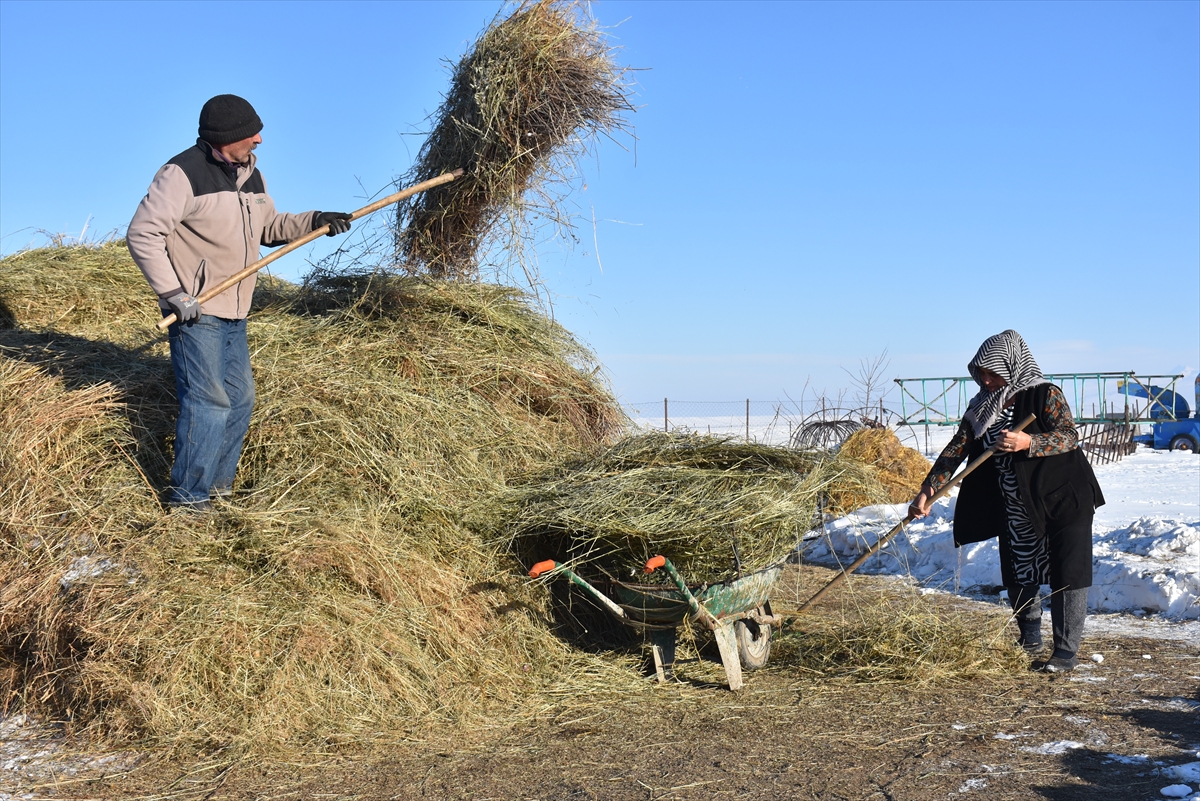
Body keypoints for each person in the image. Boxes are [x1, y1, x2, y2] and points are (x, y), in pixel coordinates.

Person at [128, 94, 352, 512]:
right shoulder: (182, 174)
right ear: (224, 137)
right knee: (208, 402)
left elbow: (269, 227)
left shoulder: (252, 175)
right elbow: (143, 233)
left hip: (236, 310)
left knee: (240, 399)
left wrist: (316, 220)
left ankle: (218, 491)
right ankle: (188, 503)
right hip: (197, 311)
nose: (259, 139)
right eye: (251, 133)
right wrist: (174, 294)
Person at [909, 330, 1104, 673]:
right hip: (1015, 501)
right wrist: (928, 490)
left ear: (1011, 367)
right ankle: (1030, 638)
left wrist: (1029, 442)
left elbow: (1069, 436)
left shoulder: (1044, 393)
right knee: (1019, 565)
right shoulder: (981, 408)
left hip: (1062, 495)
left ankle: (1065, 651)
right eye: (980, 373)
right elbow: (956, 450)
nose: (985, 380)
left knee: (1067, 568)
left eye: (992, 372)